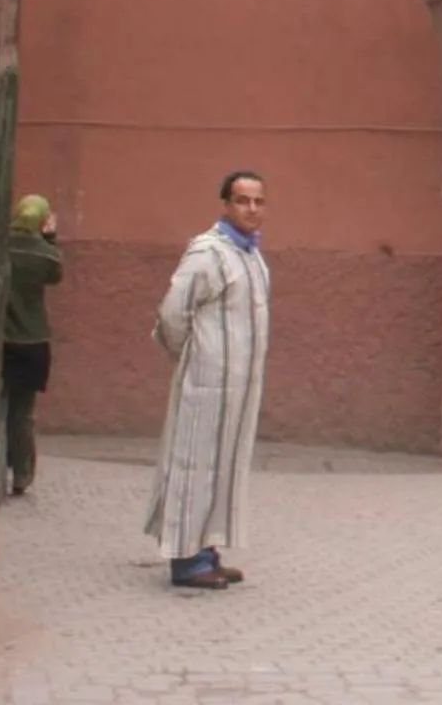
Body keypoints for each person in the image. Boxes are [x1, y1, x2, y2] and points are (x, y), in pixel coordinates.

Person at [144, 170, 270, 591]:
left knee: (221, 468)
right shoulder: (207, 252)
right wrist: (194, 357)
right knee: (194, 466)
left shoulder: (250, 255)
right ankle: (186, 560)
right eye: (242, 200)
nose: (251, 209)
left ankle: (205, 550)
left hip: (237, 391)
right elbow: (172, 313)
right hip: (206, 385)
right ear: (225, 205)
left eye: (258, 201)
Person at [3, 195, 64, 497]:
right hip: (33, 342)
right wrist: (50, 237)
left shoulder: (0, 247)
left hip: (0, 340)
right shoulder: (45, 255)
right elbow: (56, 276)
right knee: (22, 412)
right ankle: (22, 473)